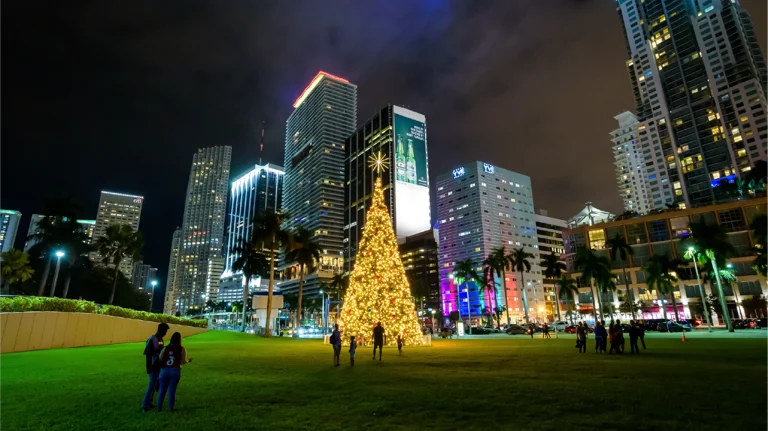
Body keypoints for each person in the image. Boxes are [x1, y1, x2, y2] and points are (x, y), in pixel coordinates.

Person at [157, 332, 192, 412]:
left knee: (162, 390)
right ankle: (171, 409)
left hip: (164, 370)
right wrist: (188, 361)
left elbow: (160, 359)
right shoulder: (182, 349)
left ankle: (159, 408)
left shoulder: (165, 348)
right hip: (175, 370)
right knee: (171, 391)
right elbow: (183, 362)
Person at [142, 323, 169, 412]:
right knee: (151, 385)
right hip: (152, 366)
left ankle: (149, 403)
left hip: (158, 366)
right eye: (165, 331)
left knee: (154, 385)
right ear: (160, 330)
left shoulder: (160, 339)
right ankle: (145, 405)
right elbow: (148, 353)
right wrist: (160, 349)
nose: (165, 333)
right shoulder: (152, 339)